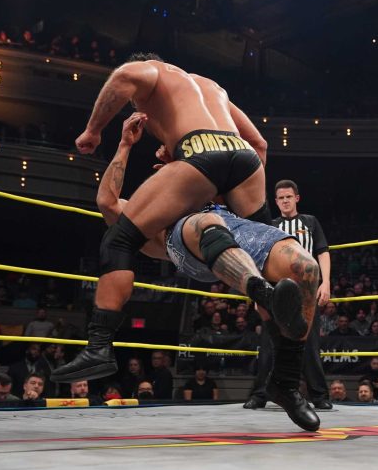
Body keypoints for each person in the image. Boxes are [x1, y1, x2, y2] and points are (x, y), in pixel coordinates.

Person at [54, 53, 301, 392]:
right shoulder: (211, 87)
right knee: (268, 261)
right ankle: (285, 370)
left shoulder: (153, 72)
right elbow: (259, 143)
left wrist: (93, 131)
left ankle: (98, 347)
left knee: (118, 239)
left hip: (201, 162)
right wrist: (221, 184)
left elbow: (124, 76)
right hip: (243, 161)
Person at [79, 116, 321, 430]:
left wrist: (190, 163)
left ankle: (285, 382)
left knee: (306, 267)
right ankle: (264, 293)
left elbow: (254, 156)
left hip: (233, 228)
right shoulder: (147, 215)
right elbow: (107, 202)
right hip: (186, 242)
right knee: (207, 223)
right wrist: (125, 144)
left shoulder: (214, 191)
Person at [245, 179, 333, 410]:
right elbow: (259, 259)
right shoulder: (270, 226)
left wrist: (325, 283)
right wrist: (258, 293)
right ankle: (259, 395)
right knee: (268, 344)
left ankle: (319, 396)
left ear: (297, 198)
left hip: (306, 291)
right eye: (281, 198)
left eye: (288, 197)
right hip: (275, 291)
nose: (285, 201)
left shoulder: (310, 222)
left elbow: (322, 252)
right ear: (276, 202)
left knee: (310, 345)